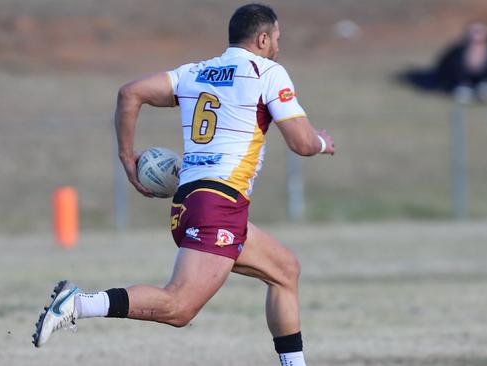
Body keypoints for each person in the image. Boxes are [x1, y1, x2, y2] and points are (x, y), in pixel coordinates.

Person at [31, 4, 335, 366]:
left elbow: (130, 93)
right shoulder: (267, 72)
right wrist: (321, 143)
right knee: (178, 307)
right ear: (263, 38)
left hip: (193, 200)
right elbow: (301, 143)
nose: (279, 48)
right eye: (277, 40)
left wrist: (127, 159)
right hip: (219, 204)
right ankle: (79, 302)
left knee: (285, 270)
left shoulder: (196, 72)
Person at [435, 21, 487, 104]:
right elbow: (445, 66)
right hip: (463, 83)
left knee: (485, 92)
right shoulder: (458, 49)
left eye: (480, 31)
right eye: (474, 31)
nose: (477, 33)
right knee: (463, 94)